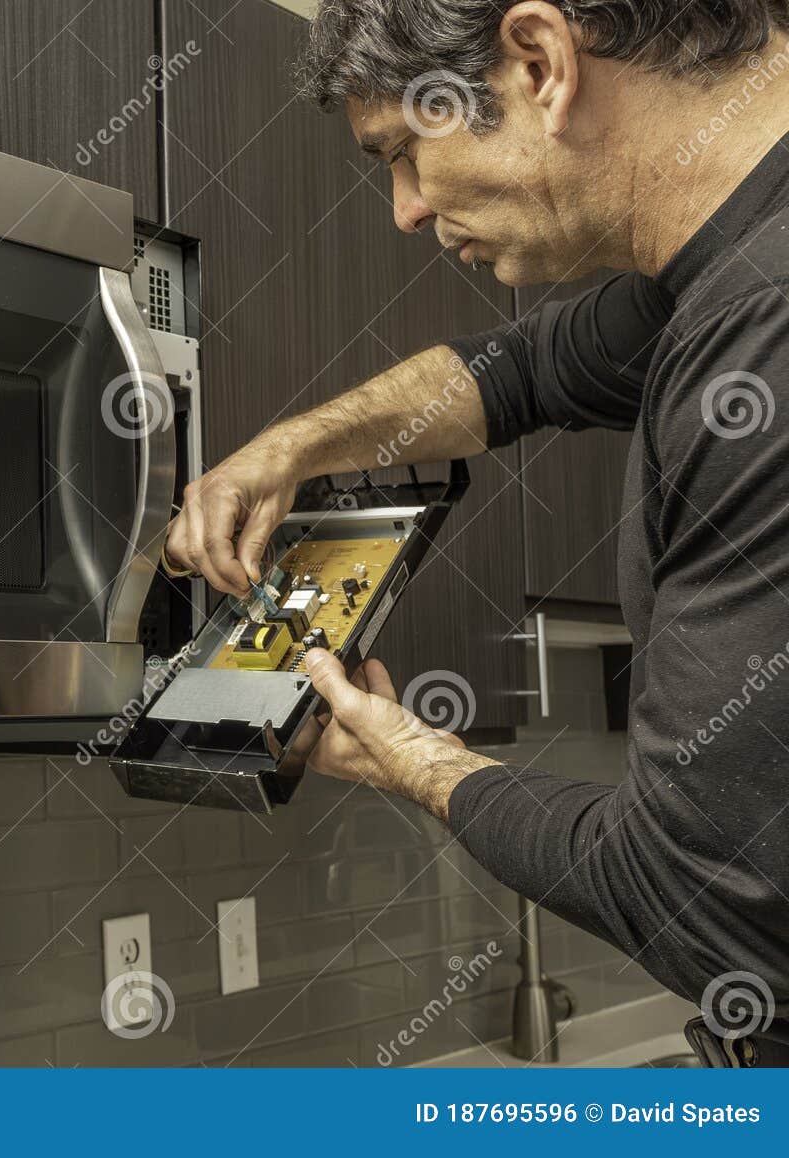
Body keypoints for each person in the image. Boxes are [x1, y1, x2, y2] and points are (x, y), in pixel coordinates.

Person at [164, 0, 789, 1064]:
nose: (404, 209)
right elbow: (523, 370)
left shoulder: (760, 325)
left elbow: (707, 907)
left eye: (402, 151)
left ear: (539, 60)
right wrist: (294, 445)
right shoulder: (727, 260)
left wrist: (420, 763)